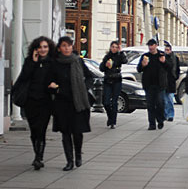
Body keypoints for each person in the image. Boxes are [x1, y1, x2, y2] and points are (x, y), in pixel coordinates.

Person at [49, 36, 94, 171]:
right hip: (62, 102)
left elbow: (90, 77)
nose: (67, 48)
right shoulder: (55, 63)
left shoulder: (78, 61)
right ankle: (69, 161)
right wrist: (55, 88)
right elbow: (50, 80)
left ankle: (78, 155)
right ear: (59, 48)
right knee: (65, 133)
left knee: (77, 132)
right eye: (64, 46)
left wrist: (84, 88)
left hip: (77, 102)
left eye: (69, 45)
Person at [15, 36, 55, 170]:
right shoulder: (29, 61)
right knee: (33, 131)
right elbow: (24, 77)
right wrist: (33, 62)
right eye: (40, 47)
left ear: (49, 48)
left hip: (45, 101)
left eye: (45, 47)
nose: (42, 50)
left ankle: (39, 157)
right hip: (30, 101)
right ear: (35, 49)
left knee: (41, 129)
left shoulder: (53, 62)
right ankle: (37, 153)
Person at [137, 39, 172, 130]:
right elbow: (139, 69)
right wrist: (143, 65)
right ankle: (152, 124)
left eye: (152, 45)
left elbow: (169, 67)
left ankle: (160, 120)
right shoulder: (145, 56)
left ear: (156, 45)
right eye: (149, 46)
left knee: (160, 103)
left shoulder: (161, 55)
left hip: (160, 85)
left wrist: (164, 61)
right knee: (150, 105)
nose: (150, 47)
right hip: (148, 85)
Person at [99, 41, 128, 129]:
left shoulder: (119, 56)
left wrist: (121, 52)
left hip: (117, 80)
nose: (114, 48)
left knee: (114, 101)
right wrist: (105, 65)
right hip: (108, 80)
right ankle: (110, 117)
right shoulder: (107, 57)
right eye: (113, 47)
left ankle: (113, 122)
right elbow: (101, 68)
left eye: (116, 47)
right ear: (110, 47)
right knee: (106, 102)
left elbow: (125, 61)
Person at [163, 41, 180, 121]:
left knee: (170, 99)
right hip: (163, 81)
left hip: (171, 81)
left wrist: (175, 77)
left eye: (168, 50)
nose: (166, 51)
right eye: (165, 50)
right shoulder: (162, 58)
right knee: (164, 100)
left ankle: (170, 115)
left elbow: (177, 69)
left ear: (171, 50)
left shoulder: (175, 58)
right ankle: (165, 114)